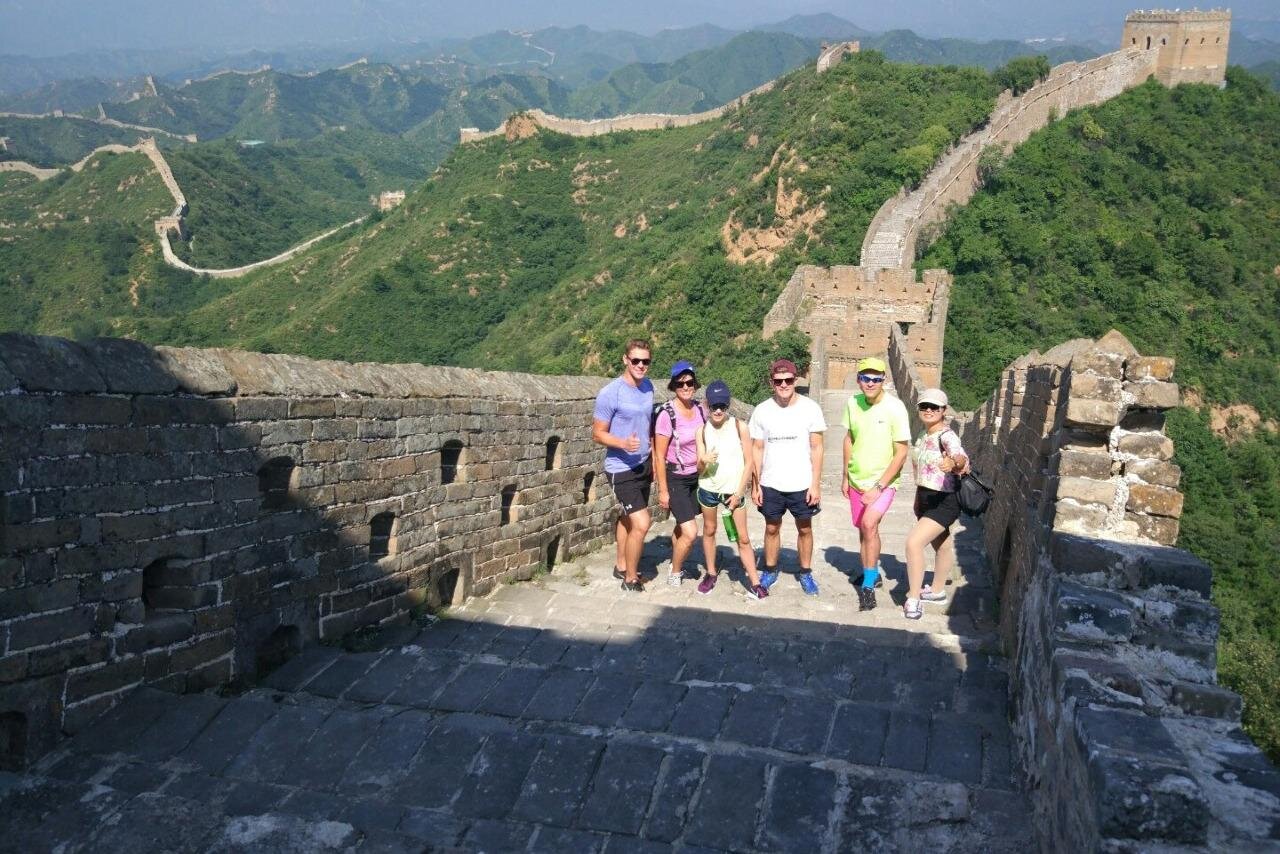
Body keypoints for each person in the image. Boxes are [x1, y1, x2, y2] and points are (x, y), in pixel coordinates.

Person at [749, 359, 825, 595]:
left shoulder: (810, 408)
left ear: (795, 380)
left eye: (788, 380)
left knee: (805, 528)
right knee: (772, 527)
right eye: (778, 381)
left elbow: (817, 447)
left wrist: (815, 484)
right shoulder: (762, 410)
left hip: (802, 483)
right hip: (771, 482)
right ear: (771, 383)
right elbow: (757, 449)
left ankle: (805, 572)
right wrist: (755, 484)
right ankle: (770, 569)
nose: (783, 385)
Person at [841, 357, 910, 611]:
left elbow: (902, 452)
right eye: (865, 378)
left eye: (876, 379)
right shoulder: (853, 403)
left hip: (884, 482)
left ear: (884, 381)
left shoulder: (895, 408)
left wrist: (878, 487)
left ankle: (868, 586)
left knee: (869, 524)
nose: (870, 383)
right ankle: (871, 572)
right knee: (865, 530)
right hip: (857, 479)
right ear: (858, 380)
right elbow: (849, 438)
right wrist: (845, 476)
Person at [592, 339, 655, 592]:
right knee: (642, 523)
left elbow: (647, 424)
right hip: (620, 467)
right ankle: (630, 579)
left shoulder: (648, 387)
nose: (641, 365)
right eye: (636, 360)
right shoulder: (610, 393)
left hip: (643, 464)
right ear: (625, 360)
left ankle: (620, 564)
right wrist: (622, 443)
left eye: (645, 361)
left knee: (629, 517)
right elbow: (597, 434)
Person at [694, 380, 765, 598]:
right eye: (714, 406)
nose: (718, 411)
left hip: (733, 492)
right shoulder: (701, 431)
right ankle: (711, 573)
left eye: (722, 406)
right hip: (708, 489)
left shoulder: (739, 427)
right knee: (709, 530)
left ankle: (754, 581)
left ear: (728, 406)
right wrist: (703, 460)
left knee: (743, 538)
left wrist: (738, 494)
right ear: (707, 405)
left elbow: (749, 462)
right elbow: (699, 469)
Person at [903, 388, 968, 620]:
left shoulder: (947, 436)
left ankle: (914, 599)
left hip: (943, 500)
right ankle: (938, 590)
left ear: (944, 410)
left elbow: (960, 457)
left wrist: (953, 462)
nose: (929, 410)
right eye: (924, 406)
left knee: (913, 544)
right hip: (925, 497)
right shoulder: (923, 434)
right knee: (942, 544)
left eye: (934, 407)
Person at [653, 360, 707, 587]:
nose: (685, 387)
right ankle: (675, 571)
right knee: (691, 531)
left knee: (682, 525)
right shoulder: (667, 414)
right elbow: (659, 455)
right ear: (673, 385)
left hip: (697, 477)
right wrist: (663, 491)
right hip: (676, 478)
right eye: (680, 383)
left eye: (689, 382)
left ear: (695, 384)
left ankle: (675, 560)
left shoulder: (701, 410)